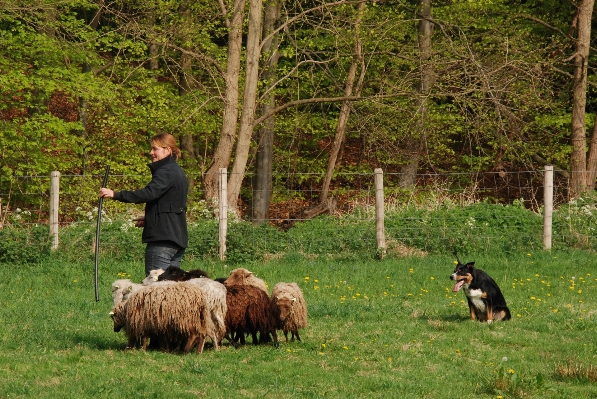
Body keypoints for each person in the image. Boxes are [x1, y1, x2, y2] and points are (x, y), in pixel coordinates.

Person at [99, 133, 189, 276]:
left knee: (155, 289)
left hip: (163, 240)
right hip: (176, 238)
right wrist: (150, 218)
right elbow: (169, 205)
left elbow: (149, 193)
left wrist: (115, 194)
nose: (151, 153)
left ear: (168, 150)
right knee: (172, 291)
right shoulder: (177, 171)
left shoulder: (166, 171)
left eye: (155, 149)